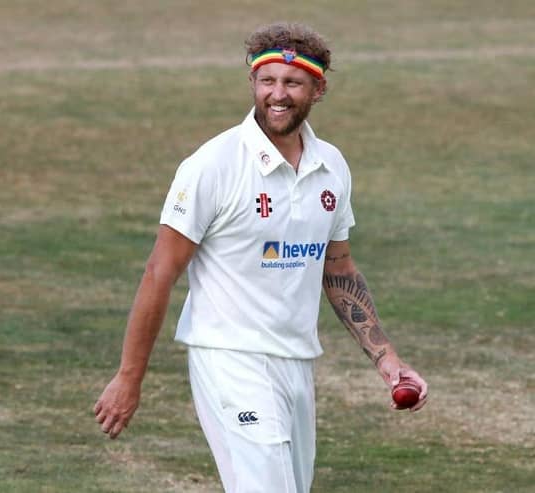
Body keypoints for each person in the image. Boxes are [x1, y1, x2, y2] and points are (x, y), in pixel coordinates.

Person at [94, 22, 428, 493]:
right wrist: (129, 378)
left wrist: (387, 360)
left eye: (292, 83)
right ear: (252, 83)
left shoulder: (331, 166)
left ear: (318, 88)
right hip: (230, 359)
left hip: (296, 360)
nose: (278, 94)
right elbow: (160, 271)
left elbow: (338, 269)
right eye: (267, 81)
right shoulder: (213, 165)